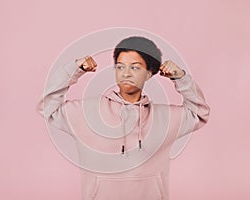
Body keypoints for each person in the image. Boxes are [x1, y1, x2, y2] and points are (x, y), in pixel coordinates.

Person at [36, 36, 210, 200]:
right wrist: (73, 69)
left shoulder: (165, 117)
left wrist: (181, 78)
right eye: (120, 67)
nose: (125, 73)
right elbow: (48, 107)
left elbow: (199, 113)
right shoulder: (87, 112)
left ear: (149, 73)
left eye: (134, 67)